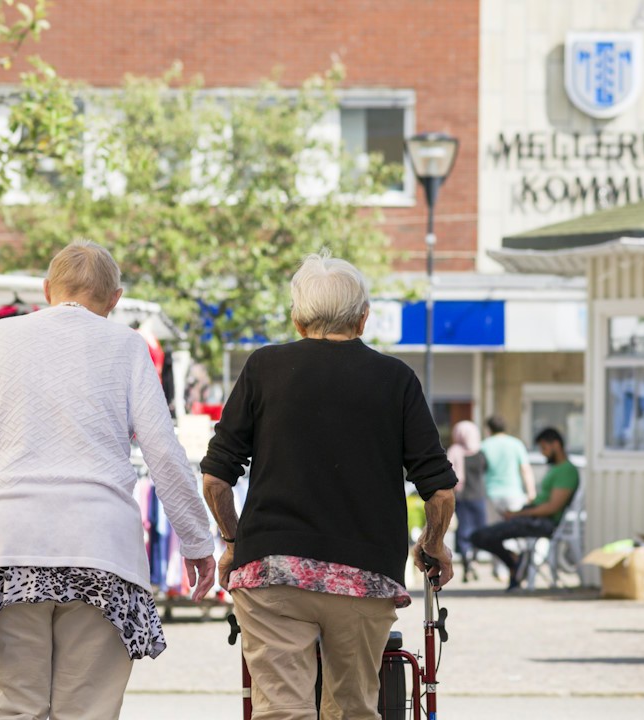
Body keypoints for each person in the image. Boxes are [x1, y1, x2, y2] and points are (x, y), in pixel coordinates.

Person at [0, 240, 216, 720]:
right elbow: (163, 451)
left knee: (11, 709)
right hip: (101, 550)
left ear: (46, 290)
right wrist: (196, 541)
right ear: (116, 298)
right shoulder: (127, 345)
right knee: (87, 711)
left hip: (7, 547)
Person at [200, 252, 458, 720]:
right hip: (363, 574)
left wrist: (235, 540)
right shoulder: (395, 379)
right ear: (363, 318)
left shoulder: (263, 368)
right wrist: (432, 543)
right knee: (354, 709)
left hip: (272, 569)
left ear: (298, 320)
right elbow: (439, 491)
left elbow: (217, 479)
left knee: (281, 710)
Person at [469, 427, 580, 591]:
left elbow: (552, 507)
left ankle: (515, 564)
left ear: (556, 444)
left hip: (542, 522)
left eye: (544, 448)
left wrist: (518, 514)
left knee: (481, 536)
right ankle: (514, 562)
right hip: (532, 517)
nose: (543, 453)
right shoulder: (556, 469)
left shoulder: (567, 471)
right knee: (479, 536)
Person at [446, 420, 488, 583]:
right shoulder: (480, 453)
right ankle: (473, 562)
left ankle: (467, 564)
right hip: (477, 496)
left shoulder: (454, 451)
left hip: (462, 497)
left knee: (464, 531)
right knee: (478, 531)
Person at [481, 414, 536, 515]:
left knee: (492, 529)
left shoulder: (484, 446)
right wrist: (531, 492)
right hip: (513, 494)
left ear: (489, 429)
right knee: (514, 528)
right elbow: (525, 469)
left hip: (491, 494)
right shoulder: (516, 444)